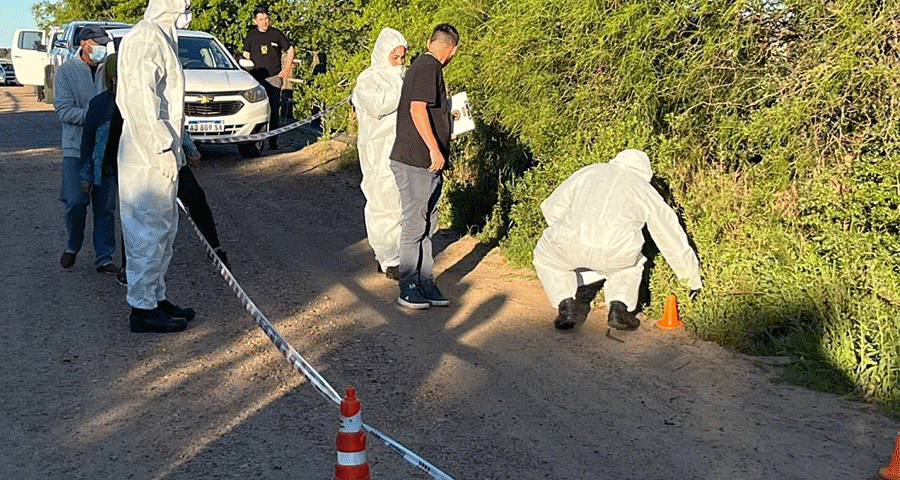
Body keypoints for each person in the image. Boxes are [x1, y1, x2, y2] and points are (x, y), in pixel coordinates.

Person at [532, 149, 704, 331]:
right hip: (616, 252)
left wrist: (565, 230)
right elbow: (670, 237)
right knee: (629, 267)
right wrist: (692, 281)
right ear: (646, 172)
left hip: (568, 241)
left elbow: (550, 207)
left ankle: (565, 305)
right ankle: (619, 308)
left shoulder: (589, 172)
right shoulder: (644, 189)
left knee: (548, 260)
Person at [117, 0, 195, 333]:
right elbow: (140, 99)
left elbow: (167, 101)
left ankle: (155, 297)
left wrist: (174, 145)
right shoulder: (145, 38)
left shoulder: (162, 37)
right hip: (148, 154)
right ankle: (141, 309)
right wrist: (161, 144)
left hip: (160, 153)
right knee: (146, 231)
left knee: (163, 229)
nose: (189, 6)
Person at [388, 24, 459, 309]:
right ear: (452, 49)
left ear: (431, 41)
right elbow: (417, 109)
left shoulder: (425, 67)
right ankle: (408, 283)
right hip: (415, 159)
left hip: (424, 161)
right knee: (415, 222)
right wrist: (434, 148)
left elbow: (427, 110)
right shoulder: (428, 67)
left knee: (428, 222)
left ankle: (425, 280)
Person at [54, 25, 121, 277]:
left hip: (106, 148)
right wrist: (95, 118)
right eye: (98, 43)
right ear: (85, 44)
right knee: (75, 200)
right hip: (75, 147)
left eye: (105, 43)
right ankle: (73, 244)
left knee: (105, 207)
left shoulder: (110, 70)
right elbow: (63, 110)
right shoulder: (66, 72)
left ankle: (104, 257)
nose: (102, 48)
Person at [351, 28, 407, 280]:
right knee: (382, 201)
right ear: (383, 54)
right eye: (395, 57)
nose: (399, 62)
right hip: (378, 149)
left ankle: (400, 253)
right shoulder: (368, 79)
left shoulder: (403, 77)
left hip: (403, 147)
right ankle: (387, 257)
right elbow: (378, 105)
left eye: (403, 57)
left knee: (401, 202)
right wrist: (405, 89)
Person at [242, 6, 295, 150]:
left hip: (273, 77)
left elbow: (290, 49)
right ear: (255, 21)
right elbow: (246, 56)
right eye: (261, 19)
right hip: (255, 79)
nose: (264, 22)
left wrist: (286, 68)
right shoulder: (251, 35)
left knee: (273, 109)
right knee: (255, 110)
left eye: (266, 19)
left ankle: (273, 140)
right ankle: (254, 141)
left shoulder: (276, 34)